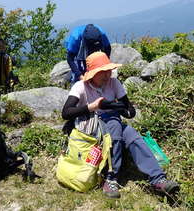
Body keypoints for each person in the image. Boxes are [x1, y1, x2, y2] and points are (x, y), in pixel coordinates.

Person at [62, 51, 179, 199]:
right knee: (115, 128)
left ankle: (158, 179)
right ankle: (111, 178)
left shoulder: (114, 83)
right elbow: (66, 112)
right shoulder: (81, 86)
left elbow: (130, 110)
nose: (106, 75)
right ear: (92, 73)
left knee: (133, 136)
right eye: (102, 72)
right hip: (91, 125)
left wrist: (120, 109)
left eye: (108, 70)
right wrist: (93, 107)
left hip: (112, 120)